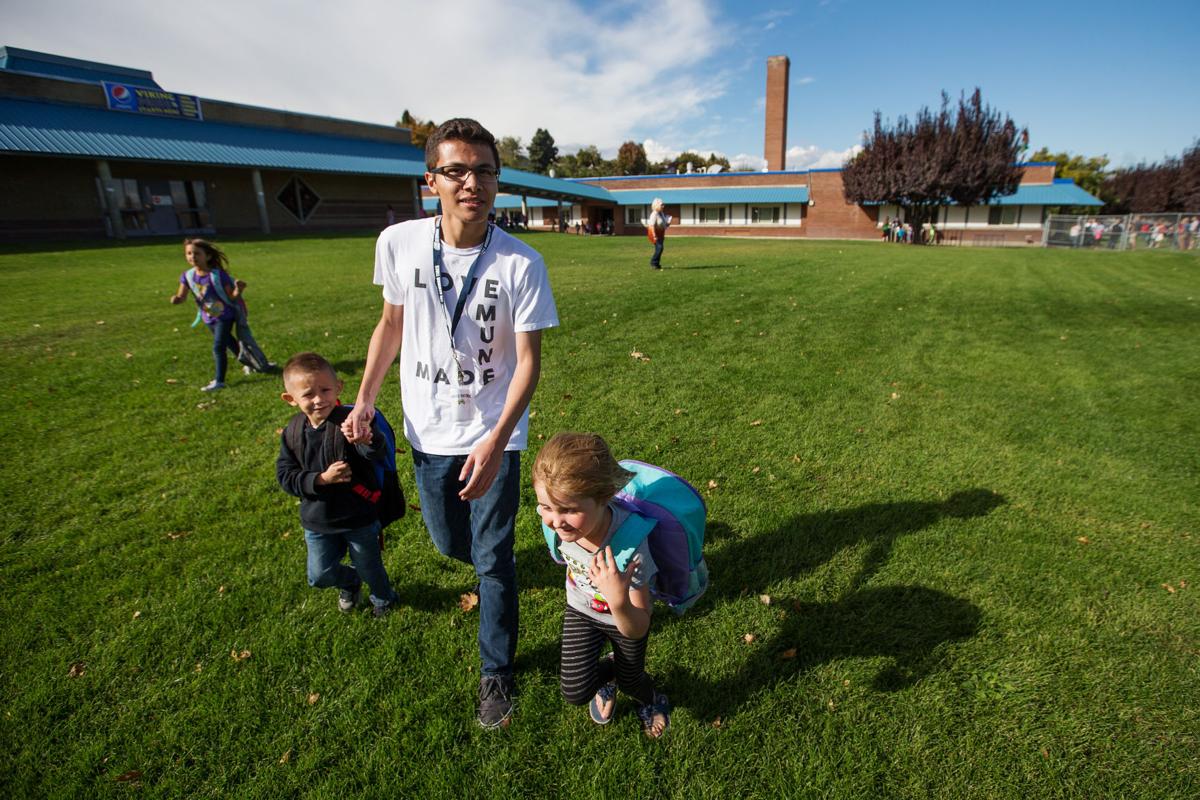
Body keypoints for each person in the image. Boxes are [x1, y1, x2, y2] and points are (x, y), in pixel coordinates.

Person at [343, 117, 559, 728]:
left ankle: (497, 673)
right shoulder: (399, 242)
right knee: (447, 542)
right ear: (431, 180)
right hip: (426, 427)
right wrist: (364, 399)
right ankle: (499, 564)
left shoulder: (522, 262)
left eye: (485, 170)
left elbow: (529, 364)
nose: (473, 182)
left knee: (492, 559)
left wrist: (496, 441)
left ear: (498, 181)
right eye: (458, 170)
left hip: (493, 430)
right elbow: (391, 324)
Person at [532, 432, 670, 738]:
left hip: (623, 620)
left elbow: (639, 626)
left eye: (568, 510)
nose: (555, 521)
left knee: (633, 681)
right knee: (574, 691)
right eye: (545, 506)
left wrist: (618, 599)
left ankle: (650, 698)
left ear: (604, 497)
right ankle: (610, 675)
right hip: (581, 609)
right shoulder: (557, 524)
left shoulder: (631, 545)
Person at [276, 352, 400, 617]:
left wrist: (367, 439)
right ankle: (349, 581)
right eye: (308, 394)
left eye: (325, 390)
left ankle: (383, 597)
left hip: (359, 517)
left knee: (370, 567)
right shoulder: (293, 432)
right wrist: (320, 479)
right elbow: (285, 475)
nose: (319, 399)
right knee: (318, 575)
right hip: (317, 521)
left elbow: (376, 455)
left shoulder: (349, 420)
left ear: (339, 387)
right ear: (290, 399)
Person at [169, 238, 244, 392]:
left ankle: (219, 381)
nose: (192, 256)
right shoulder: (187, 276)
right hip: (208, 318)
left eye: (197, 253)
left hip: (225, 316)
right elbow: (181, 296)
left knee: (218, 347)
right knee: (230, 343)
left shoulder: (218, 275)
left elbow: (231, 297)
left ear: (208, 256)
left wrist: (239, 290)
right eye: (189, 253)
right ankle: (249, 363)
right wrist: (176, 300)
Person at [645, 198, 671, 269]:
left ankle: (656, 264)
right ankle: (653, 263)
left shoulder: (661, 213)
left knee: (659, 249)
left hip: (661, 233)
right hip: (654, 233)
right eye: (661, 205)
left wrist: (668, 223)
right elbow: (651, 226)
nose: (663, 206)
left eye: (663, 205)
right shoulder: (654, 214)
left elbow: (664, 225)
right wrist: (654, 236)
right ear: (656, 205)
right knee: (660, 248)